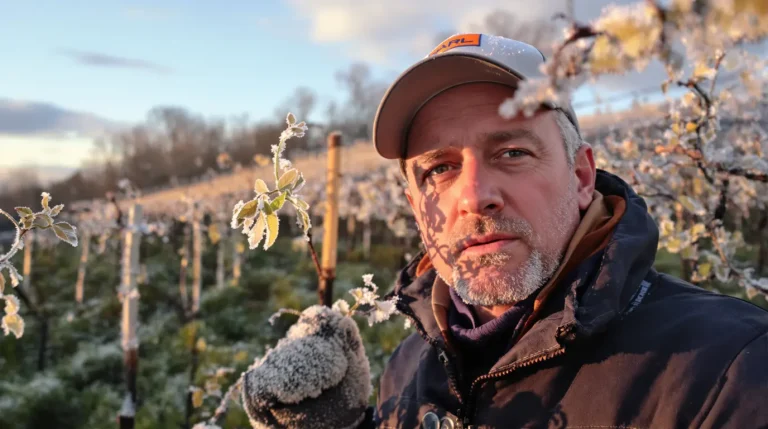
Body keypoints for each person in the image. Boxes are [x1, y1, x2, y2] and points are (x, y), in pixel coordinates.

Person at [244, 34, 768, 429]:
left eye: (512, 152)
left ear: (582, 176)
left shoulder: (731, 371)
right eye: (439, 169)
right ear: (413, 204)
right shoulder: (408, 369)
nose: (473, 195)